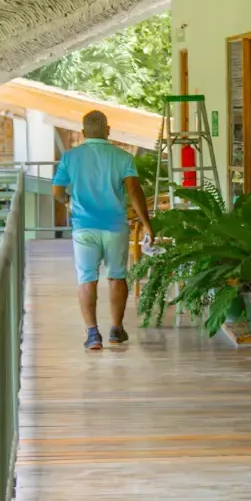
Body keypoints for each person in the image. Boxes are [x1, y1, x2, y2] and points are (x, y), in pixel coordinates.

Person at [52, 110, 154, 350]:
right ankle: (116, 330)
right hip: (115, 227)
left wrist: (68, 201)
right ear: (108, 131)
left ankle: (92, 334)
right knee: (116, 276)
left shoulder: (70, 157)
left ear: (83, 132)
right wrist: (148, 225)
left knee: (87, 278)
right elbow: (134, 192)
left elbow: (56, 192)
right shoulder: (123, 158)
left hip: (84, 227)